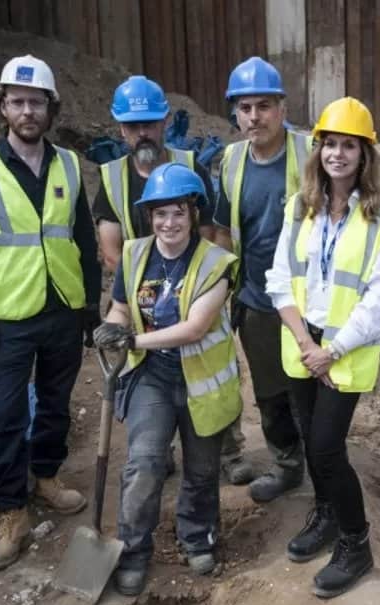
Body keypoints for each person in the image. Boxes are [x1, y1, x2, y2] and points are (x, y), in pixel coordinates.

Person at [0, 55, 102, 571]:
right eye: (17, 102)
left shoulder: (67, 165)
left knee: (57, 402)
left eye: (35, 102)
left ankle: (46, 475)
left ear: (49, 108)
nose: (26, 111)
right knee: (6, 415)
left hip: (62, 307)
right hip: (9, 314)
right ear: (3, 107)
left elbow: (82, 236)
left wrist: (89, 301)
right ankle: (12, 510)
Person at [265, 97, 380, 598]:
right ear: (318, 150)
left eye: (349, 145)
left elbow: (379, 300)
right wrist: (308, 342)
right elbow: (279, 279)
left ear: (365, 155)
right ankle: (325, 513)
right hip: (303, 341)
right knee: (310, 439)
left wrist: (332, 350)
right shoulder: (299, 207)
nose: (338, 154)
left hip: (345, 350)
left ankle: (356, 541)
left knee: (327, 447)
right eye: (330, 143)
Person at [92, 75, 252, 485]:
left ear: (165, 122)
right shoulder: (112, 178)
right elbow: (110, 249)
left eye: (150, 122)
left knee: (213, 373)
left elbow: (212, 233)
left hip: (197, 289)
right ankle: (158, 448)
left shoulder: (188, 165)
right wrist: (134, 299)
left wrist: (202, 290)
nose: (142, 132)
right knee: (148, 375)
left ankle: (229, 449)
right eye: (133, 125)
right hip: (141, 295)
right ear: (121, 129)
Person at [93, 163, 241, 596]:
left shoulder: (217, 262)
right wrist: (112, 323)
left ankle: (197, 536)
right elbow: (121, 307)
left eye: (178, 212)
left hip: (202, 383)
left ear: (193, 212)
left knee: (201, 469)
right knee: (143, 464)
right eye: (160, 213)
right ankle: (134, 551)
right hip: (152, 379)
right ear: (148, 216)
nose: (169, 223)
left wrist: (133, 338)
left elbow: (195, 327)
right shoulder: (136, 254)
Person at [213, 56, 312, 503]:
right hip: (255, 297)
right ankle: (288, 464)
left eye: (264, 106)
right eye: (246, 107)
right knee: (270, 392)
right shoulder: (231, 161)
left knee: (311, 387)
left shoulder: (310, 154)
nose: (255, 116)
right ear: (236, 114)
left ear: (282, 109)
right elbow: (220, 232)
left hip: (309, 298)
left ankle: (323, 461)